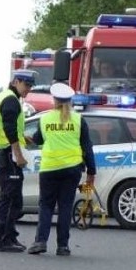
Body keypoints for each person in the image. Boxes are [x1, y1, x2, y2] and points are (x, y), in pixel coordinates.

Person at [27, 83, 96, 257]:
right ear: (70, 101)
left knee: (46, 206)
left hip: (49, 168)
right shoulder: (79, 120)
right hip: (72, 169)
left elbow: (38, 139)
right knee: (65, 207)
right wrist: (91, 172)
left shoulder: (45, 119)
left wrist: (28, 139)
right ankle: (63, 246)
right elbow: (87, 147)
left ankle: (40, 241)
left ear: (54, 100)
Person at [0, 69, 35, 252]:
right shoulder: (10, 100)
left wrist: (23, 137)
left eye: (30, 86)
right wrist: (19, 155)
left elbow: (10, 126)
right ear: (15, 81)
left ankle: (8, 236)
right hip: (6, 154)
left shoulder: (6, 97)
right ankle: (2, 240)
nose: (28, 89)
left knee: (13, 198)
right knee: (10, 199)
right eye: (26, 84)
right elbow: (8, 129)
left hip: (2, 152)